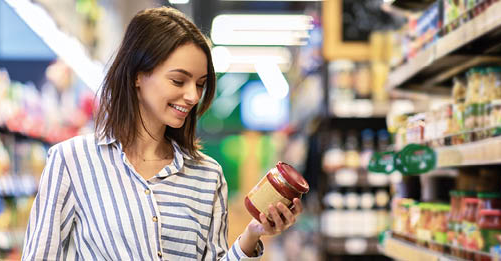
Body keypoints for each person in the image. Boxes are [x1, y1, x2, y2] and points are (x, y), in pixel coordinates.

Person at [21, 6, 303, 260]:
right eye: (178, 80)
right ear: (137, 76)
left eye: (201, 84)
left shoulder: (208, 176)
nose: (193, 96)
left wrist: (251, 236)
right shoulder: (72, 162)